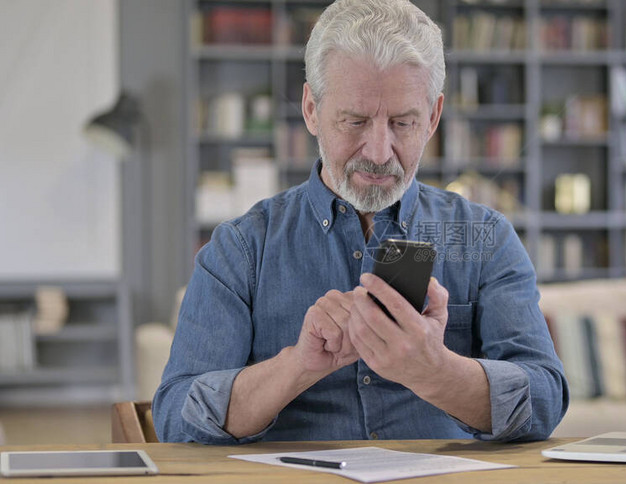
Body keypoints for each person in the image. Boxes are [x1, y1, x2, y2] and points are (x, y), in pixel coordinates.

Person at [153, 0, 568, 444]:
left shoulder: (485, 237)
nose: (378, 151)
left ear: (433, 117)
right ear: (311, 109)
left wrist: (435, 371)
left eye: (403, 123)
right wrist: (297, 366)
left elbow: (544, 400)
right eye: (354, 121)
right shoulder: (239, 249)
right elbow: (177, 420)